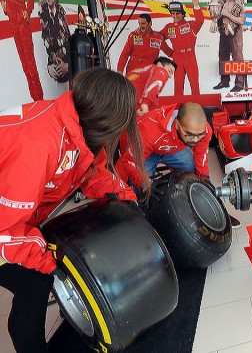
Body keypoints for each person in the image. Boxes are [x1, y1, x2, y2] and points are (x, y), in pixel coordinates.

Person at [0, 68, 146, 353]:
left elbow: (93, 171)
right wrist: (47, 261)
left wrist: (125, 199)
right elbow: (5, 228)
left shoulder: (75, 127)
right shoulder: (39, 144)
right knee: (35, 282)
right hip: (4, 222)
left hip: (13, 212)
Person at [115, 103, 242, 228]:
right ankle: (145, 220)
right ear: (177, 125)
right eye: (190, 134)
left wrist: (204, 182)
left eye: (200, 135)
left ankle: (208, 212)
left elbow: (201, 156)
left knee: (195, 180)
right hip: (147, 151)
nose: (196, 139)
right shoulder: (148, 131)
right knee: (143, 190)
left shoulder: (204, 130)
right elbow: (128, 161)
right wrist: (145, 183)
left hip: (174, 149)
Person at [160, 0, 204, 95]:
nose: (175, 16)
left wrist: (196, 5)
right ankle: (177, 109)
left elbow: (200, 20)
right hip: (177, 58)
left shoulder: (191, 25)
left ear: (183, 14)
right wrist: (170, 53)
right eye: (173, 13)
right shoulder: (169, 27)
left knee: (194, 85)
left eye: (178, 13)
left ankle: (196, 108)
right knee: (178, 86)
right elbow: (158, 38)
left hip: (190, 56)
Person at [38, 0, 72, 83]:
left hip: (69, 78)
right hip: (55, 81)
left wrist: (67, 67)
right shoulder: (43, 14)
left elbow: (70, 44)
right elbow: (47, 47)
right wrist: (50, 68)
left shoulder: (61, 14)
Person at [212, 0, 247, 92]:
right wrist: (214, 21)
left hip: (235, 33)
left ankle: (240, 84)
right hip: (223, 31)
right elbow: (216, 13)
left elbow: (241, 21)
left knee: (237, 58)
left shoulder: (239, 3)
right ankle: (224, 81)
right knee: (223, 57)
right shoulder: (222, 1)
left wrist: (227, 14)